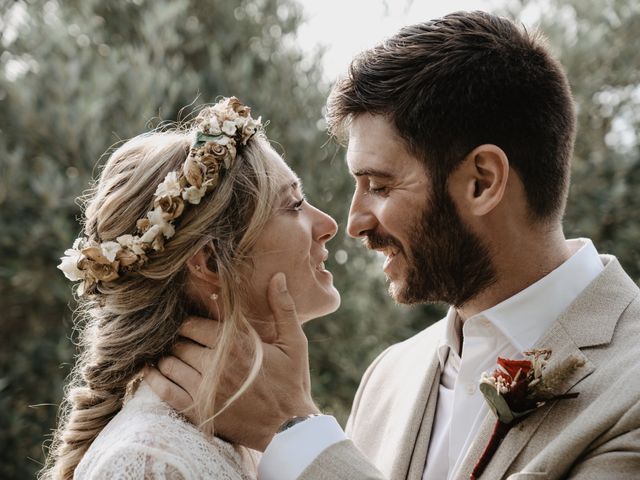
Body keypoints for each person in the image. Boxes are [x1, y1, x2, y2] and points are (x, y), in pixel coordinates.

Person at [147, 11, 640, 480]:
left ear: (482, 182)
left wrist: (293, 433)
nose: (355, 223)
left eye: (379, 186)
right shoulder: (390, 376)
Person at [42, 97, 341, 479]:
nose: (329, 224)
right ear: (213, 262)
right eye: (294, 205)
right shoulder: (151, 463)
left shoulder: (238, 433)